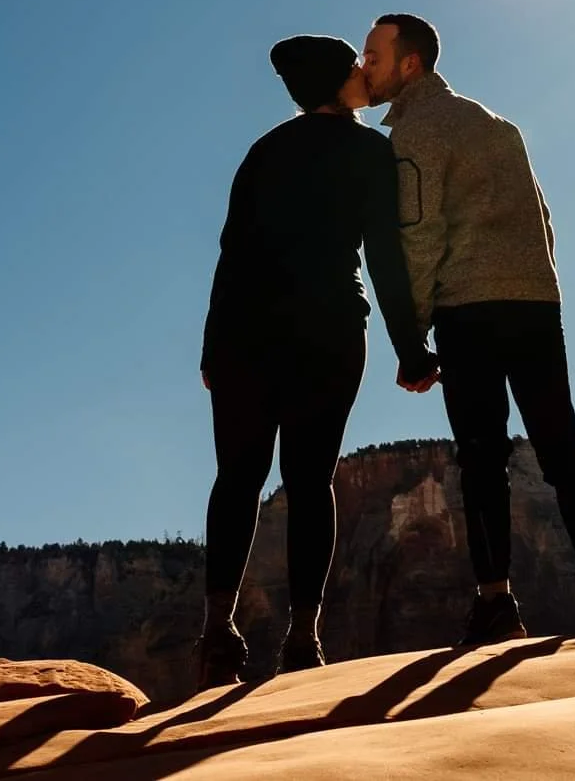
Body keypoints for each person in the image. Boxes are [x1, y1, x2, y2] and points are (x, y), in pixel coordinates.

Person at [360, 12, 575, 645]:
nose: (365, 68)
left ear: (410, 65)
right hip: (536, 302)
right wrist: (538, 287)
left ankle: (495, 604)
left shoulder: (417, 133)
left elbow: (421, 236)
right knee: (563, 453)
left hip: (469, 309)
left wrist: (414, 337)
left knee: (482, 459)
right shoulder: (497, 124)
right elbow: (544, 219)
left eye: (374, 56)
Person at [195, 35, 440, 688]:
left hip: (245, 335)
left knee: (237, 479)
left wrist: (212, 345)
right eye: (354, 65)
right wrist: (411, 347)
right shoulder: (369, 151)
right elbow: (385, 258)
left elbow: (231, 254)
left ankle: (218, 631)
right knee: (310, 483)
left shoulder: (264, 151)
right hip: (329, 333)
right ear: (337, 83)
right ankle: (303, 639)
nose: (365, 70)